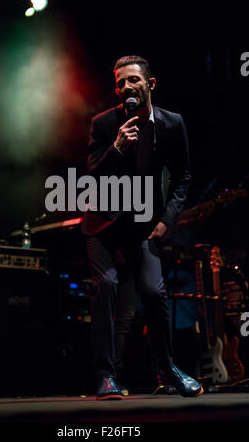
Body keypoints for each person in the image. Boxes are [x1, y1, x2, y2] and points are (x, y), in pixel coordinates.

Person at [81, 55, 203, 399]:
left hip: (143, 226)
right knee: (106, 285)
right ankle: (106, 375)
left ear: (149, 85)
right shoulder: (104, 125)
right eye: (120, 83)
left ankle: (169, 368)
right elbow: (89, 181)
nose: (125, 88)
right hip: (103, 223)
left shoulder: (172, 123)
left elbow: (183, 176)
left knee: (153, 290)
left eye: (132, 81)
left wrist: (169, 219)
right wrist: (117, 150)